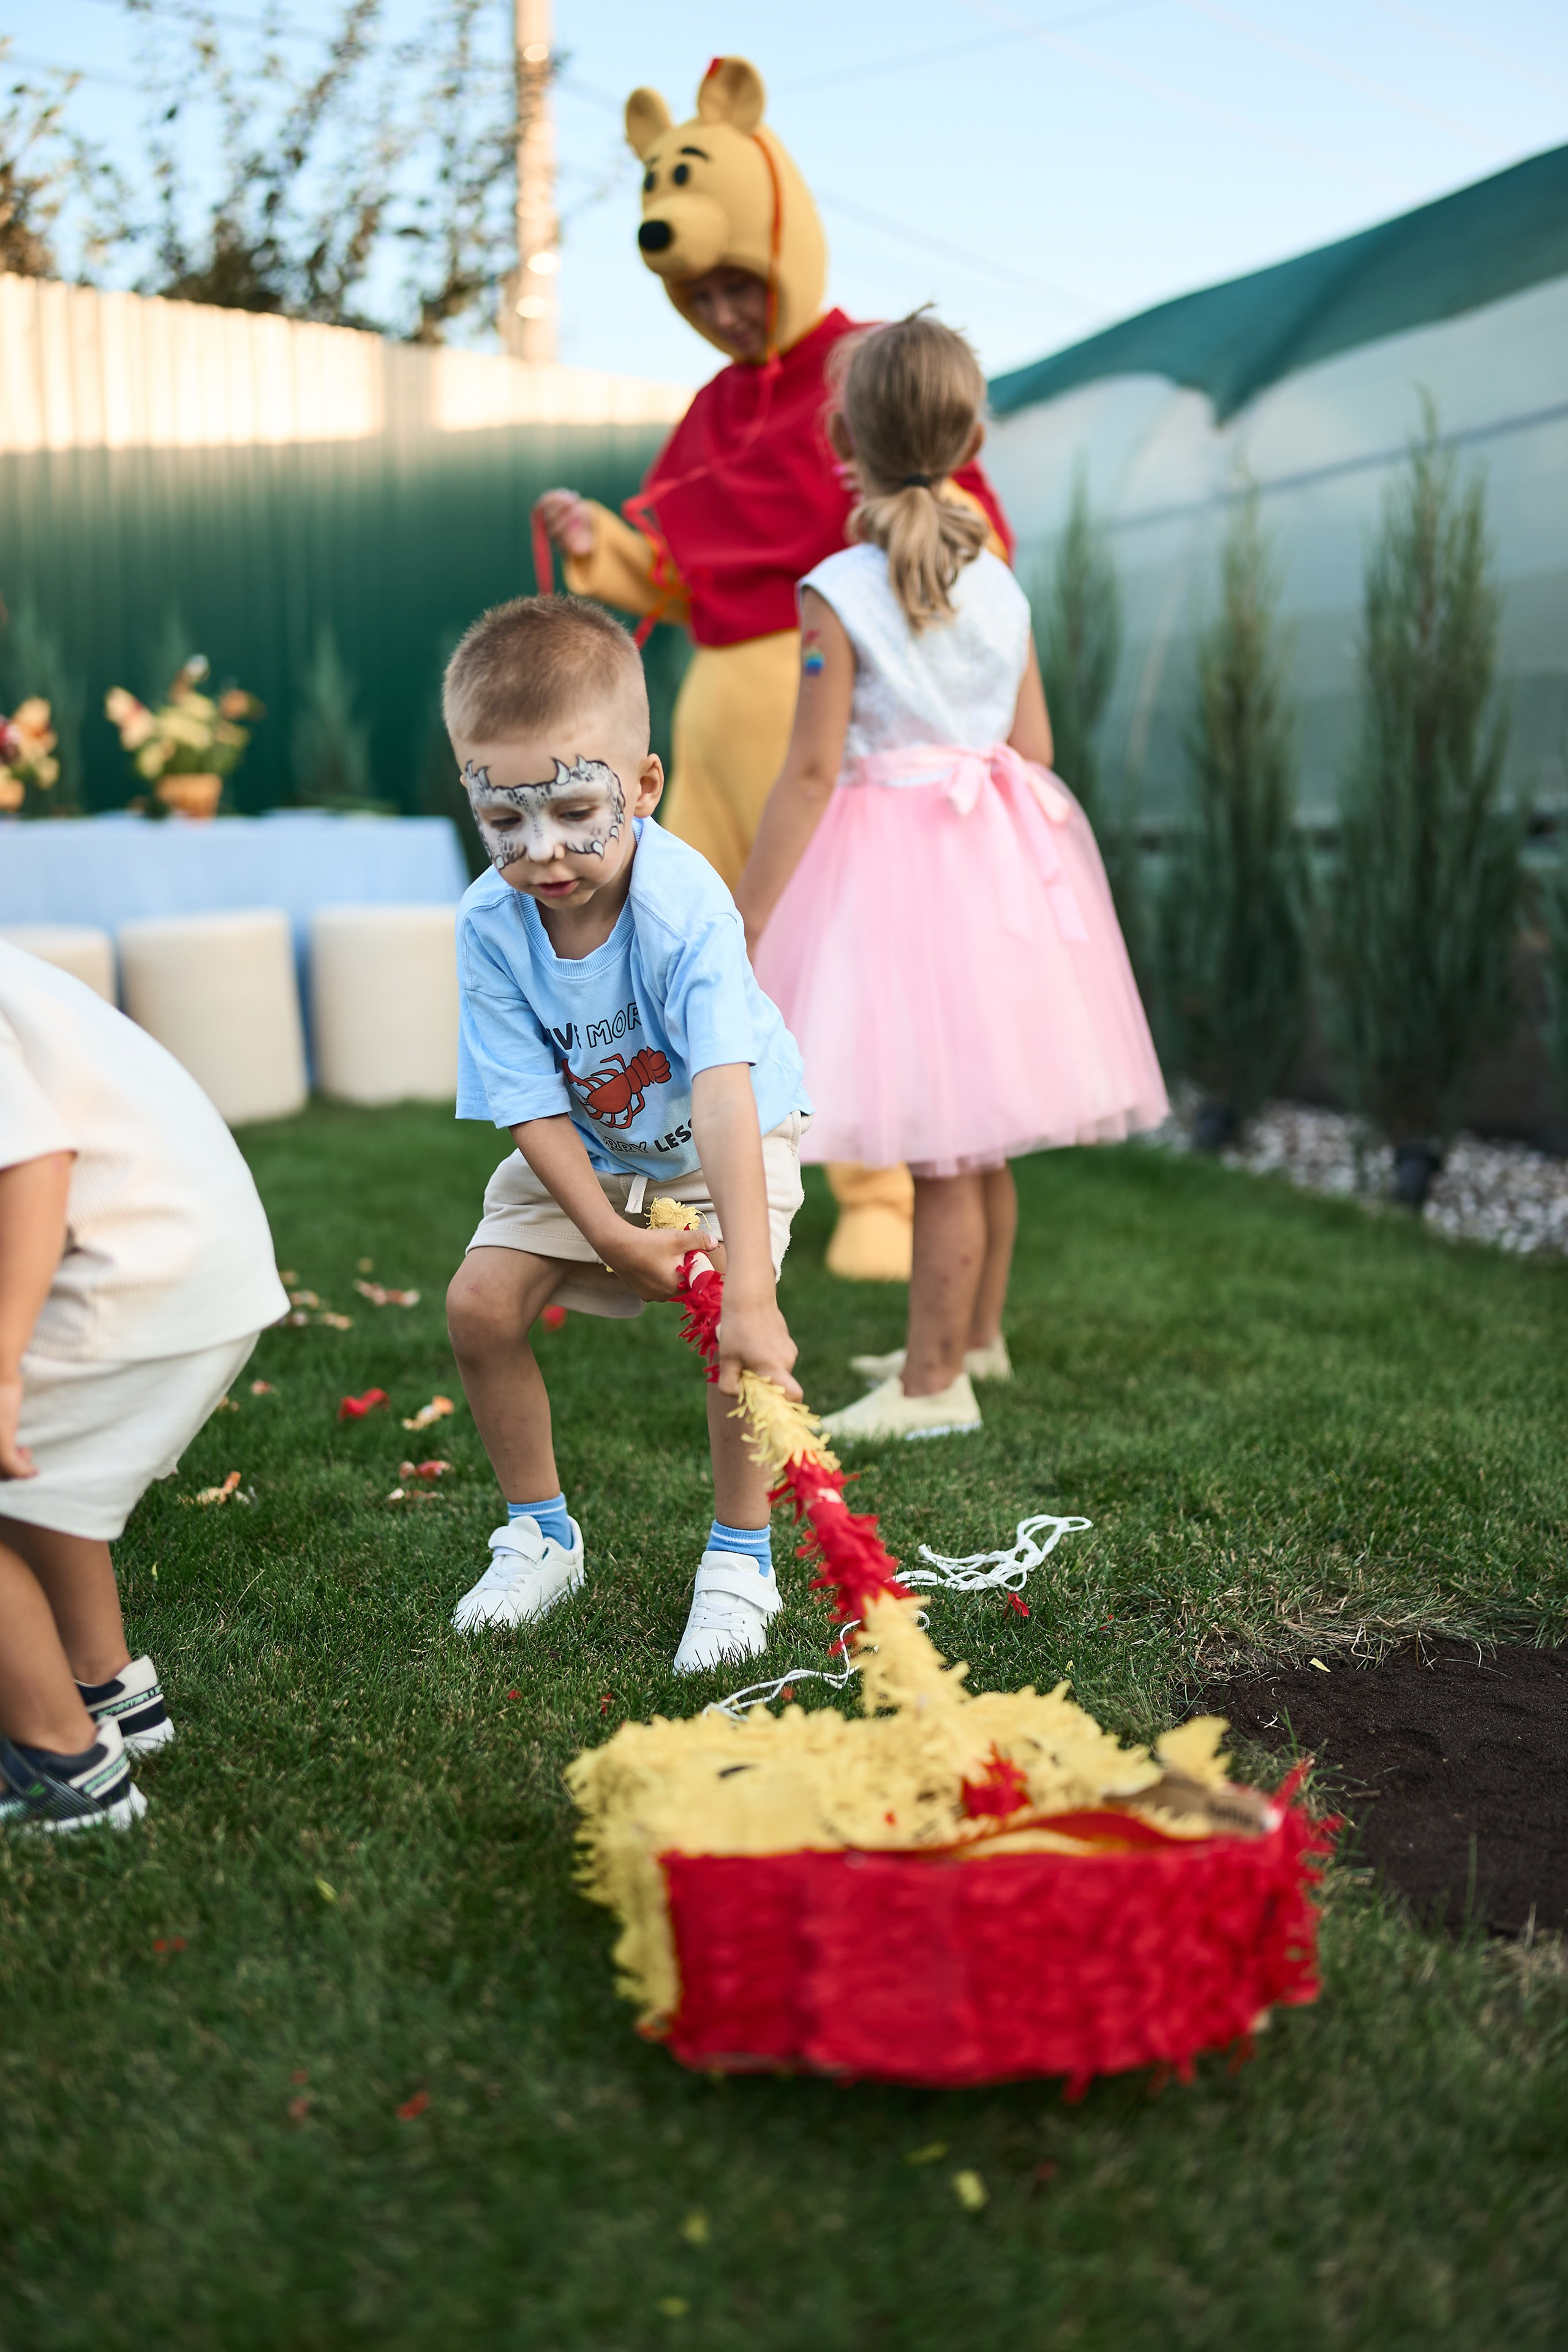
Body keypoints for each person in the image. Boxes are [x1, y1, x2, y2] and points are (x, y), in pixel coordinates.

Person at [534, 53, 1014, 1289]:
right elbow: (679, 580)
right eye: (702, 298)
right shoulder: (708, 413)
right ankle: (700, 1173)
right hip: (715, 714)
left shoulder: (867, 374)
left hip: (837, 724)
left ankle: (883, 1192)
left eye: (738, 285)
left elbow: (947, 539)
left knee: (857, 968)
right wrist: (602, 544)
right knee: (693, 955)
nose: (728, 315)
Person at [737, 315, 1168, 1446]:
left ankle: (935, 1385)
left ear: (842, 433)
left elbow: (814, 768)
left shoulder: (837, 586)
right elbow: (1036, 749)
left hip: (900, 876)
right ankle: (976, 1336)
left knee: (944, 1140)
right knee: (982, 1121)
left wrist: (749, 910)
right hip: (995, 871)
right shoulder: (1005, 587)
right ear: (970, 432)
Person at [442, 594, 809, 1674]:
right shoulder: (487, 925)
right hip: (590, 1147)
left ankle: (743, 1557)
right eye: (504, 823)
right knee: (478, 1305)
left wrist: (748, 1297)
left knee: (731, 1344)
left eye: (568, 810)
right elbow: (527, 1105)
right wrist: (608, 1230)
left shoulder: (685, 907)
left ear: (643, 788)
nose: (540, 850)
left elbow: (725, 1088)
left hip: (718, 1131)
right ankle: (542, 1533)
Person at [0, 941, 287, 1830]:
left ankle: (62, 1766)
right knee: (36, 1478)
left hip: (133, 1274)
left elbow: (33, 1167)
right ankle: (108, 1694)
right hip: (189, 1253)